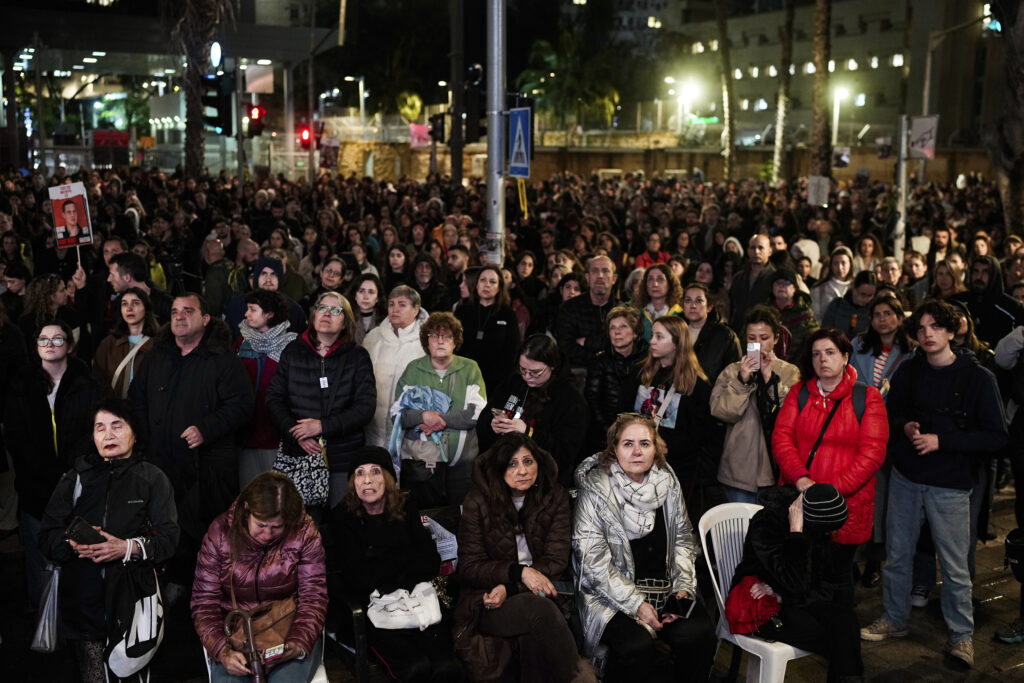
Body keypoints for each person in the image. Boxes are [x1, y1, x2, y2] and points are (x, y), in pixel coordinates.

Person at [861, 300, 1007, 669]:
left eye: (935, 327)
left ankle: (961, 637)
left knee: (955, 567)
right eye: (922, 328)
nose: (927, 334)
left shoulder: (978, 378)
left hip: (950, 483)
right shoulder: (911, 370)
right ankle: (895, 618)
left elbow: (996, 437)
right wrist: (906, 426)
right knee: (896, 555)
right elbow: (891, 413)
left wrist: (944, 441)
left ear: (952, 331)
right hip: (908, 476)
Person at [39, 398, 179, 683]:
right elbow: (47, 538)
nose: (108, 434)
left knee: (137, 675)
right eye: (99, 428)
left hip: (135, 606)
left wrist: (126, 547)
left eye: (117, 426)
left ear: (134, 433)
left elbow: (168, 539)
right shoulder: (77, 478)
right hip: (83, 607)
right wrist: (71, 546)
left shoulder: (152, 478)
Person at [573, 413, 716, 683]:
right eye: (628, 444)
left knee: (699, 634)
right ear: (613, 449)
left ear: (656, 448)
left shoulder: (667, 482)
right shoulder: (595, 490)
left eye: (645, 444)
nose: (637, 451)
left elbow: (684, 539)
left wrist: (682, 589)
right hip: (611, 598)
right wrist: (637, 604)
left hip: (665, 591)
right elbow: (592, 563)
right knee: (637, 646)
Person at [128, 293, 254, 589]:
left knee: (211, 538)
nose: (179, 316)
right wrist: (144, 444)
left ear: (205, 319)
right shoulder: (157, 357)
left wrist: (206, 429)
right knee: (166, 530)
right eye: (174, 311)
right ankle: (174, 587)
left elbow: (242, 406)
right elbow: (136, 402)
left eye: (188, 311)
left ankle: (211, 593)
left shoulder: (222, 360)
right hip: (161, 465)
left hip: (207, 472)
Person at [453, 433, 593, 683]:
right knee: (539, 611)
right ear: (499, 468)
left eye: (528, 462)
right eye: (512, 464)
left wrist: (513, 586)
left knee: (534, 634)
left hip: (542, 590)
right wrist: (518, 574)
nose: (522, 471)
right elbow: (470, 566)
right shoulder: (477, 501)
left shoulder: (554, 496)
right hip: (487, 599)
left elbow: (556, 558)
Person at [772, 327, 888, 605]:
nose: (822, 359)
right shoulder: (800, 393)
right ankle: (805, 634)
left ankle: (837, 637)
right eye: (816, 354)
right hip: (800, 496)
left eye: (830, 352)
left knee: (837, 578)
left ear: (846, 356)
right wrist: (800, 479)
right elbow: (781, 438)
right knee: (801, 571)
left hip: (843, 506)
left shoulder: (867, 397)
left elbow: (871, 455)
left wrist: (827, 493)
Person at [331, 446, 464, 683]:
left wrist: (383, 564)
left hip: (417, 600)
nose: (367, 480)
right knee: (416, 668)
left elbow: (431, 562)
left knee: (447, 668)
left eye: (375, 471)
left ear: (388, 478)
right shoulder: (342, 517)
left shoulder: (405, 506)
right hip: (375, 610)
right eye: (360, 473)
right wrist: (403, 563)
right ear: (353, 482)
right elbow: (360, 578)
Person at [191, 472, 328, 682]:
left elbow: (313, 597)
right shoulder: (220, 533)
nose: (267, 535)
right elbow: (204, 603)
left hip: (290, 629)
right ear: (247, 510)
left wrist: (297, 644)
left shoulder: (304, 532)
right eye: (261, 525)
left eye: (276, 527)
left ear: (289, 520)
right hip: (236, 637)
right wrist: (221, 651)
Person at [5, 320, 99, 606]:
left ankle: (77, 613)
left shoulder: (85, 382)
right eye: (43, 339)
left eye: (57, 339)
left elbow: (93, 429)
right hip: (36, 483)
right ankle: (44, 617)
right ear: (36, 347)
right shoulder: (22, 384)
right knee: (38, 551)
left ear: (69, 346)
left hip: (77, 480)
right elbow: (16, 435)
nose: (49, 344)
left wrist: (71, 469)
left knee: (79, 548)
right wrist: (46, 471)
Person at [729, 484, 864, 682]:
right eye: (828, 530)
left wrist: (785, 595)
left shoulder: (821, 528)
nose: (831, 534)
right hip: (762, 605)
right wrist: (796, 533)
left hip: (791, 598)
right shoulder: (769, 523)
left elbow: (828, 586)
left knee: (846, 621)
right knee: (836, 639)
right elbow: (795, 581)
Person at [266, 291, 375, 509]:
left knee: (341, 525)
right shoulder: (293, 351)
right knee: (301, 525)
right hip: (299, 455)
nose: (327, 314)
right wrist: (295, 434)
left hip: (342, 458)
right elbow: (273, 398)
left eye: (336, 310)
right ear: (314, 314)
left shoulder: (357, 356)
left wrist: (321, 426)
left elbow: (365, 408)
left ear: (345, 322)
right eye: (322, 308)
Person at [627, 316, 718, 519]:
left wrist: (665, 446)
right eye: (653, 336)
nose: (652, 341)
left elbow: (700, 435)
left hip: (675, 471)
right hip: (635, 466)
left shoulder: (696, 386)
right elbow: (623, 413)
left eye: (660, 337)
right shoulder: (640, 373)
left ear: (677, 343)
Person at [392, 312, 487, 507]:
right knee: (425, 520)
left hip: (462, 466)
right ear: (427, 341)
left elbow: (475, 413)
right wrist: (423, 416)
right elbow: (396, 414)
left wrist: (434, 420)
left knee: (461, 519)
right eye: (434, 336)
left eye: (447, 336)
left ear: (455, 341)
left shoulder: (470, 368)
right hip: (422, 466)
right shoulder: (413, 369)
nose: (440, 341)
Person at [712, 305, 801, 504]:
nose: (758, 344)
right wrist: (742, 380)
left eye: (764, 338)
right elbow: (721, 412)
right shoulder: (731, 371)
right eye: (752, 338)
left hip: (776, 468)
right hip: (738, 471)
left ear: (776, 339)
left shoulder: (789, 372)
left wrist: (770, 378)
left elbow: (790, 415)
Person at [477, 335, 589, 488]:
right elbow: (483, 421)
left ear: (552, 366)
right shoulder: (513, 382)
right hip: (501, 476)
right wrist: (492, 426)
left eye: (536, 372)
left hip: (543, 484)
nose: (527, 377)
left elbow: (565, 453)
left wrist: (528, 432)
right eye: (523, 369)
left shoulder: (570, 400)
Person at [235, 289, 298, 487]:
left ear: (269, 314)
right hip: (245, 434)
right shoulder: (241, 343)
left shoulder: (291, 347)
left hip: (276, 436)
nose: (246, 314)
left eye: (253, 309)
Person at [363, 285, 428, 448]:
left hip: (410, 430)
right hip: (372, 425)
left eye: (402, 304)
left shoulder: (426, 342)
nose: (395, 309)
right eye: (391, 304)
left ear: (416, 309)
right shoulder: (374, 337)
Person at [454, 264, 521, 393]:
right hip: (464, 378)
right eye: (483, 280)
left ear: (499, 287)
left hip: (495, 382)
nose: (487, 285)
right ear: (476, 284)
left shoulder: (507, 314)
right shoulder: (462, 311)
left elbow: (512, 350)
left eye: (492, 281)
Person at [585, 306, 649, 437]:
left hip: (643, 428)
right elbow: (592, 401)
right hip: (607, 431)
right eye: (612, 328)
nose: (617, 332)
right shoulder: (600, 360)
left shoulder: (648, 360)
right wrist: (609, 431)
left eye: (623, 327)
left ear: (635, 332)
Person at [92, 287, 158, 398]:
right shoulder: (109, 343)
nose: (129, 308)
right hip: (114, 410)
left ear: (146, 308)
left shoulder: (157, 344)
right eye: (124, 304)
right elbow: (97, 380)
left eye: (135, 303)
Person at [556, 255, 618, 370]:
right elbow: (566, 347)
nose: (600, 276)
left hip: (615, 375)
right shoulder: (569, 308)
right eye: (595, 271)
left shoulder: (623, 311)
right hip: (578, 374)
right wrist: (599, 360)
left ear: (614, 278)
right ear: (587, 277)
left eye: (605, 271)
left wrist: (587, 341)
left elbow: (624, 347)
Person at [683, 281, 742, 386]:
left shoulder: (725, 335)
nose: (692, 305)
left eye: (699, 301)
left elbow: (734, 374)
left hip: (712, 397)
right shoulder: (675, 331)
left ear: (709, 307)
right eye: (688, 300)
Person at [769, 267, 819, 361]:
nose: (781, 286)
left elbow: (814, 347)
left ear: (795, 288)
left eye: (787, 283)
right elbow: (752, 341)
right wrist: (754, 367)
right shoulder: (762, 313)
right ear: (772, 287)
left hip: (796, 369)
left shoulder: (805, 316)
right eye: (778, 283)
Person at [728, 234, 775, 333]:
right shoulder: (739, 277)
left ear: (769, 251)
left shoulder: (775, 278)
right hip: (737, 331)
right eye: (753, 248)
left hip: (760, 334)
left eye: (760, 248)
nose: (756, 251)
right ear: (748, 250)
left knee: (753, 349)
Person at [632, 263, 683, 340]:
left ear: (670, 284)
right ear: (645, 285)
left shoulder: (680, 315)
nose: (655, 284)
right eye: (650, 279)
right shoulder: (637, 315)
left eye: (660, 279)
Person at [822, 270, 878, 339]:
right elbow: (825, 332)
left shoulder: (873, 311)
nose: (866, 299)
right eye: (863, 294)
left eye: (870, 295)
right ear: (854, 288)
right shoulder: (837, 305)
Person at [347, 273, 386, 345]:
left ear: (377, 297)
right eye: (361, 291)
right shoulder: (346, 319)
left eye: (371, 292)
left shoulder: (387, 321)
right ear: (355, 295)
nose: (366, 297)